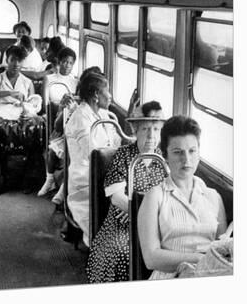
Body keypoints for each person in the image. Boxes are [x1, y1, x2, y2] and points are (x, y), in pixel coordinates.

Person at [86, 101, 167, 283]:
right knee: (124, 253)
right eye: (145, 129)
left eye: (156, 129)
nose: (151, 136)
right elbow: (117, 197)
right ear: (135, 130)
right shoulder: (123, 155)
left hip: (156, 224)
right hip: (123, 221)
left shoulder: (163, 158)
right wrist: (143, 215)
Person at [138, 116, 227, 279]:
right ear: (165, 155)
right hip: (171, 277)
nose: (187, 160)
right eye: (178, 152)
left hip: (211, 275)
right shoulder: (155, 196)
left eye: (192, 151)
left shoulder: (214, 197)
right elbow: (151, 258)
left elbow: (222, 247)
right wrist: (201, 259)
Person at [0, 45, 44, 195]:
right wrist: (9, 93)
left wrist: (27, 106)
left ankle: (28, 176)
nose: (16, 64)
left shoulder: (27, 82)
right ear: (7, 60)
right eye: (13, 60)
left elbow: (32, 102)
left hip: (19, 112)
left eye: (19, 61)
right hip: (0, 111)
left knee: (37, 129)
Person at [65, 73, 121, 246]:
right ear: (96, 94)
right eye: (107, 91)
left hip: (103, 172)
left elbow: (116, 144)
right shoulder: (81, 118)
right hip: (86, 178)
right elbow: (94, 156)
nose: (110, 96)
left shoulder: (103, 115)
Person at [37, 47, 79, 197]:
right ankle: (49, 180)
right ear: (59, 62)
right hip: (56, 114)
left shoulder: (75, 81)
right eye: (65, 62)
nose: (67, 65)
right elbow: (46, 103)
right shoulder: (50, 79)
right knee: (53, 145)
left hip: (71, 115)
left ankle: (64, 184)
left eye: (70, 63)